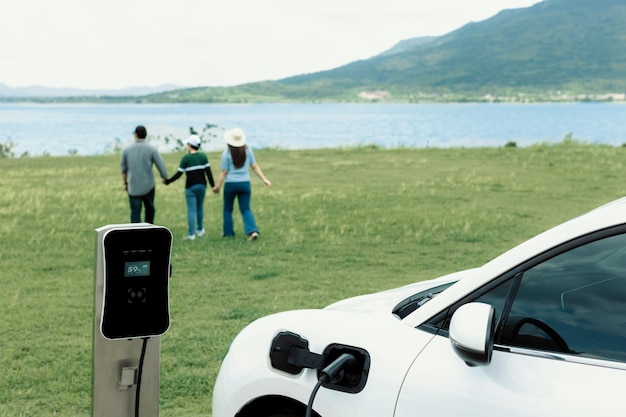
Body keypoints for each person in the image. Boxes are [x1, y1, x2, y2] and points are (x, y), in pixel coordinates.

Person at [212, 127, 271, 240]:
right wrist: (264, 179)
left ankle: (228, 232)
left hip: (230, 184)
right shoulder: (248, 151)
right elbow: (254, 166)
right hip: (245, 183)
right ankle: (252, 231)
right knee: (245, 209)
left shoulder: (226, 154)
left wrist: (217, 187)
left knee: (228, 209)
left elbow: (224, 172)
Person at [164, 134, 215, 240]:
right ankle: (200, 230)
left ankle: (191, 234)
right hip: (202, 186)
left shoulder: (186, 158)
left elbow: (179, 174)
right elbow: (208, 173)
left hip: (190, 188)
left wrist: (168, 181)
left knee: (191, 210)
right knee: (200, 207)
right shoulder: (203, 157)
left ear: (190, 145)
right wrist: (213, 186)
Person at [120, 125, 168, 223]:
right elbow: (160, 164)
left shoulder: (127, 150)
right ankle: (149, 229)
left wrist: (125, 183)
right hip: (148, 186)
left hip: (133, 186)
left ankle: (136, 233)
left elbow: (124, 170)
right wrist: (164, 176)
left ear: (135, 135)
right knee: (149, 209)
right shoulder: (151, 149)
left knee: (135, 211)